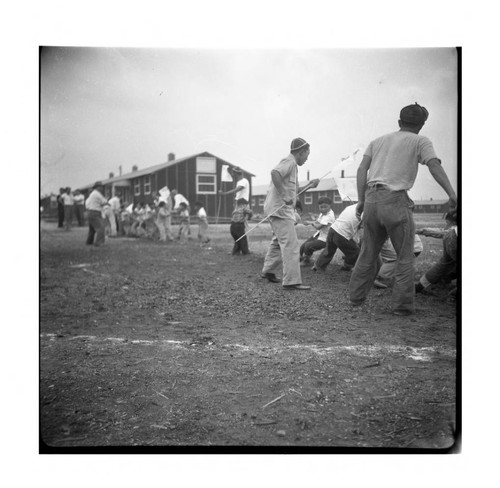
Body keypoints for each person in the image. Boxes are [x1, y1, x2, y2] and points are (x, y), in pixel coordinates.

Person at [349, 103, 457, 315]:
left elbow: (362, 169)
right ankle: (402, 307)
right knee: (405, 256)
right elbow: (434, 165)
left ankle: (355, 299)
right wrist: (452, 195)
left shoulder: (377, 141)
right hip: (395, 200)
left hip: (371, 199)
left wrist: (361, 200)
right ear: (421, 124)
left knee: (367, 253)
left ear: (399, 122)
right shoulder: (420, 140)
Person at [260, 137, 319, 290]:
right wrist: (284, 195)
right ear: (302, 151)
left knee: (278, 241)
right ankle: (292, 282)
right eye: (307, 154)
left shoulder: (293, 166)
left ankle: (268, 271)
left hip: (279, 210)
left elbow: (293, 191)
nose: (307, 158)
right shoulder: (290, 162)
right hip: (280, 211)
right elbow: (275, 173)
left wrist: (310, 185)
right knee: (291, 246)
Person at [415, 209, 458, 296]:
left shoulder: (449, 232)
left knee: (444, 264)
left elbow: (444, 232)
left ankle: (420, 285)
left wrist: (421, 231)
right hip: (453, 236)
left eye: (448, 224)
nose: (447, 226)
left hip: (451, 236)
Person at [313, 203, 362, 272]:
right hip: (342, 234)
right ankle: (348, 266)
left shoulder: (350, 207)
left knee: (329, 250)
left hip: (333, 229)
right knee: (355, 251)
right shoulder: (364, 210)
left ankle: (318, 266)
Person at [299, 196, 336, 266]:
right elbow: (317, 222)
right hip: (320, 234)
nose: (323, 209)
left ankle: (306, 260)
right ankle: (299, 257)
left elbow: (318, 227)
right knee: (303, 246)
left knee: (308, 246)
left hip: (326, 239)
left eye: (325, 207)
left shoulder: (329, 216)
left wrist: (311, 223)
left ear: (330, 206)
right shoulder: (322, 214)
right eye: (321, 207)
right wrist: (309, 222)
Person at [85, 182, 107, 247]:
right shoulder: (97, 194)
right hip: (95, 212)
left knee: (92, 229)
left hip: (89, 211)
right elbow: (104, 202)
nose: (102, 188)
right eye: (101, 187)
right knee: (101, 227)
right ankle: (99, 243)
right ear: (97, 187)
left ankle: (89, 241)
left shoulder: (92, 194)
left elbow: (87, 204)